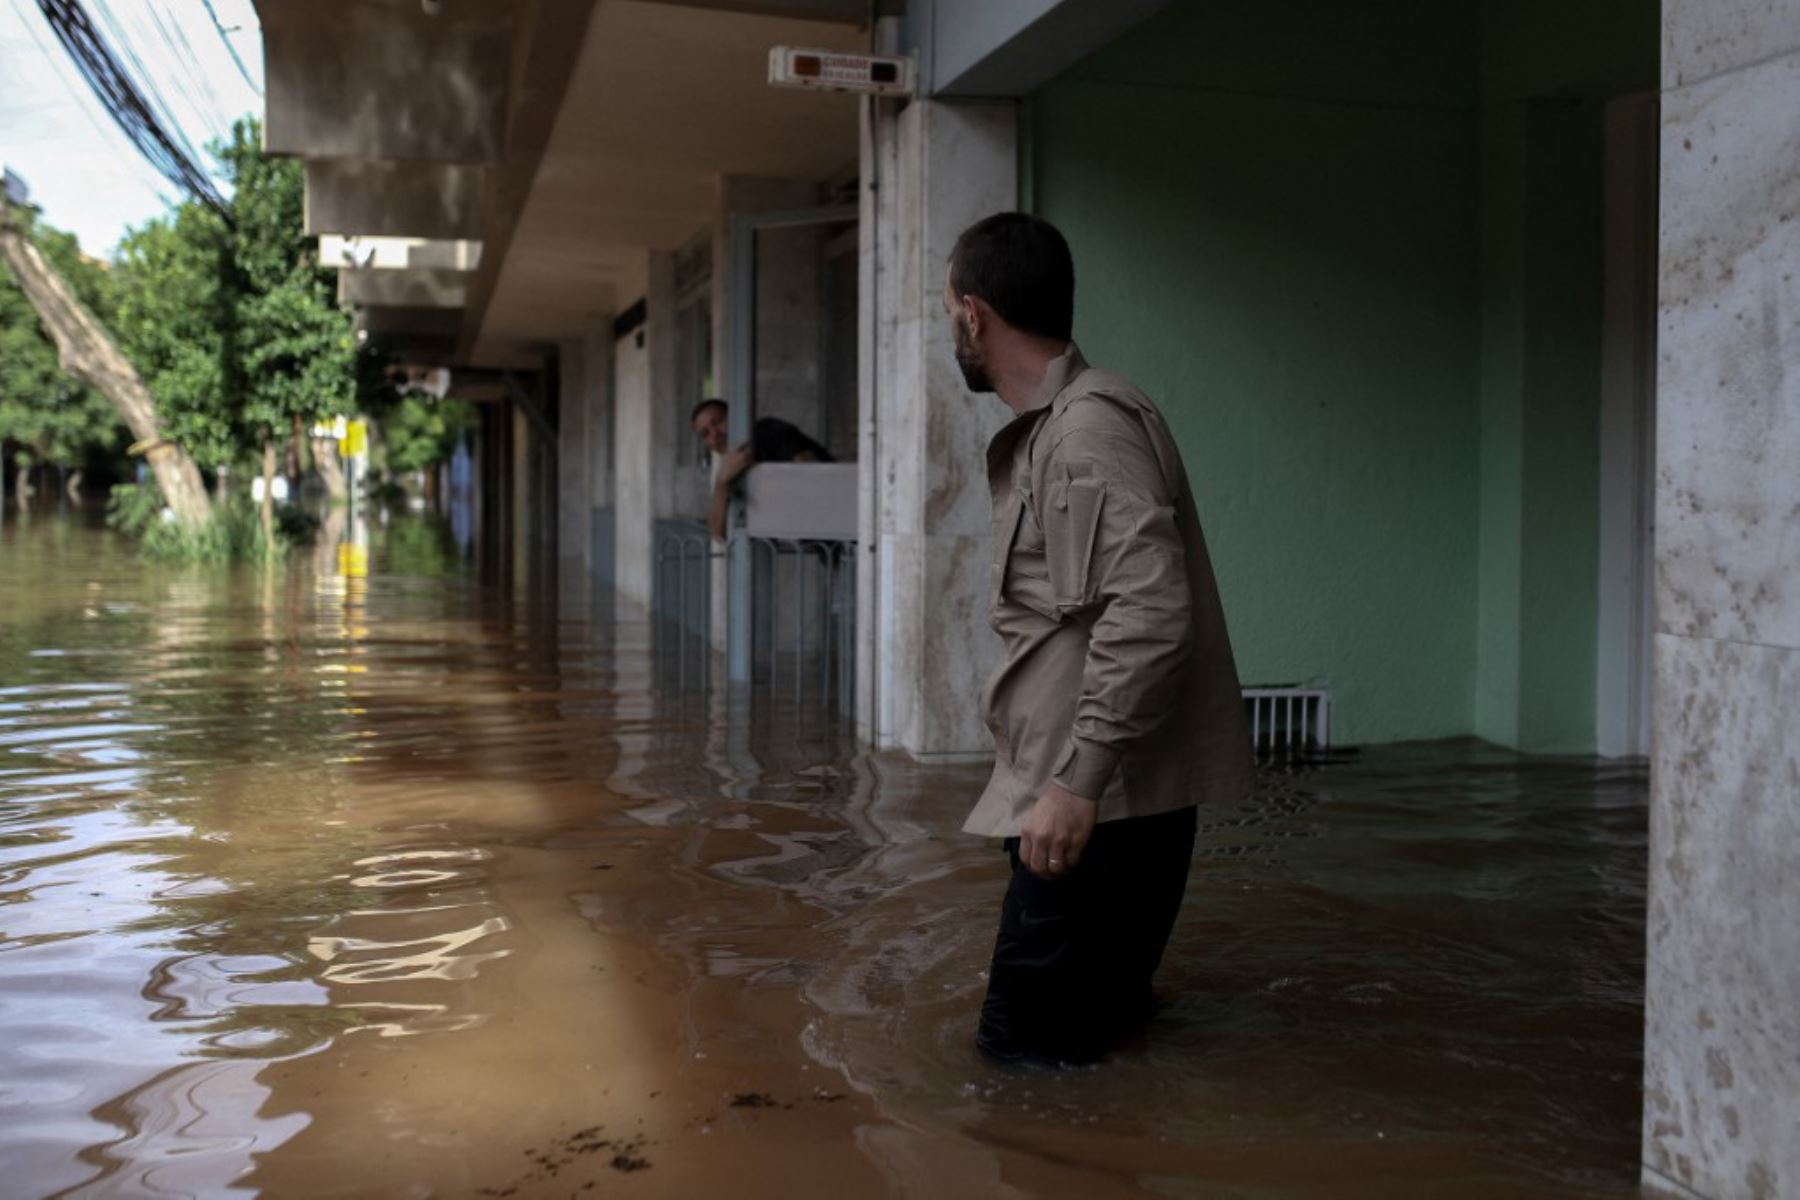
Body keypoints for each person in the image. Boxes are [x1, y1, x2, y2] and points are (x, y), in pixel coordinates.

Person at [945, 212, 1253, 1064]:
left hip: (1094, 809)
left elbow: (1148, 611)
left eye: (948, 313)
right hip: (1102, 801)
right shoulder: (1070, 424)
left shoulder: (1085, 430)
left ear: (974, 314)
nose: (952, 331)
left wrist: (1075, 785)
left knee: (1016, 1070)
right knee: (1092, 1053)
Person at [690, 399, 833, 539]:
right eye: (705, 434)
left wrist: (759, 473)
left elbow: (810, 470)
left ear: (737, 417)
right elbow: (717, 532)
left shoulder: (766, 431)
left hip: (841, 522)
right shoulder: (727, 470)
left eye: (719, 422)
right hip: (825, 542)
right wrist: (721, 482)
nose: (714, 434)